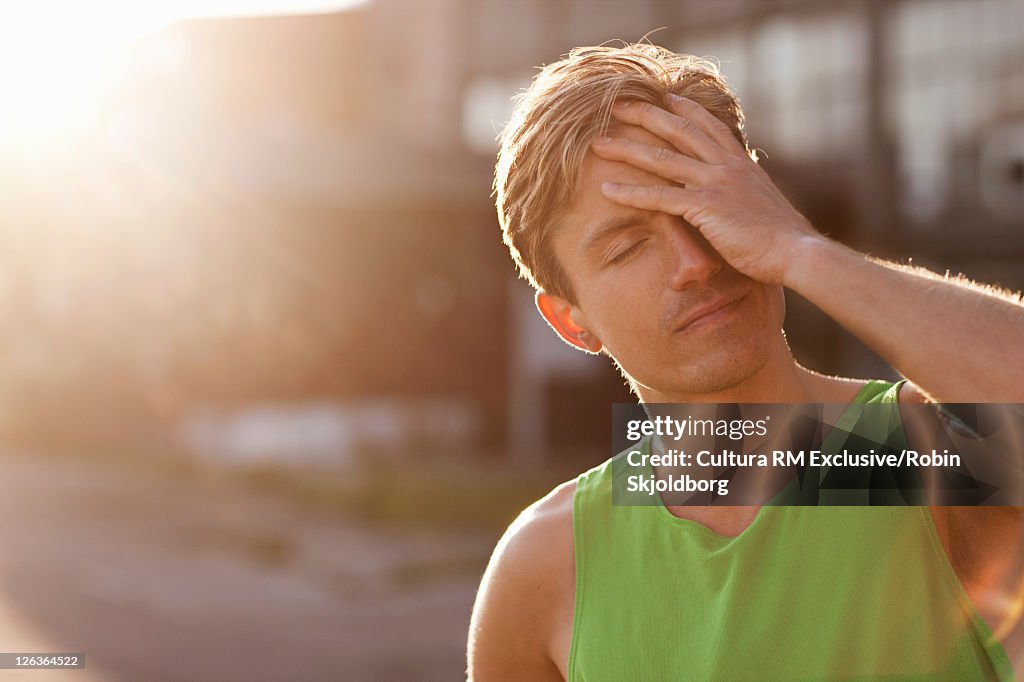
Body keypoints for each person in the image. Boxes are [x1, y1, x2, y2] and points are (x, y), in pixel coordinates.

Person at [467, 43, 1024, 681]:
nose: (697, 262)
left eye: (707, 207)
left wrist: (801, 250)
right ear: (572, 320)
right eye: (627, 247)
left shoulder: (912, 458)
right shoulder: (547, 562)